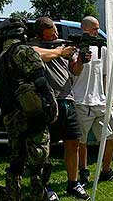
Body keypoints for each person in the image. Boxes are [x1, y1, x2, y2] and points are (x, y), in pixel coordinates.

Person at [0, 18, 58, 201]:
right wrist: (50, 107)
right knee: (39, 162)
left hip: (11, 118)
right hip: (32, 115)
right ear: (22, 32)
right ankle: (39, 196)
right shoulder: (24, 51)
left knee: (16, 162)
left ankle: (13, 197)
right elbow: (41, 81)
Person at [32, 17, 90, 200]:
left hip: (67, 100)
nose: (56, 36)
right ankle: (45, 187)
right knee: (45, 148)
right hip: (47, 103)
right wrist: (60, 51)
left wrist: (81, 60)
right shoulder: (33, 46)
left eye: (56, 33)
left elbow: (75, 70)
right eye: (51, 35)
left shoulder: (63, 47)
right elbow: (37, 54)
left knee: (73, 142)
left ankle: (73, 183)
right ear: (40, 35)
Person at [73, 16, 113, 186]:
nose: (97, 32)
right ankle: (83, 172)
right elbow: (74, 71)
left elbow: (104, 76)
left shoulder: (102, 49)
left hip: (100, 101)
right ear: (85, 29)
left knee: (112, 137)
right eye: (95, 29)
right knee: (81, 141)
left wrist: (109, 96)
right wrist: (80, 57)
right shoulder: (74, 48)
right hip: (81, 101)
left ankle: (106, 171)